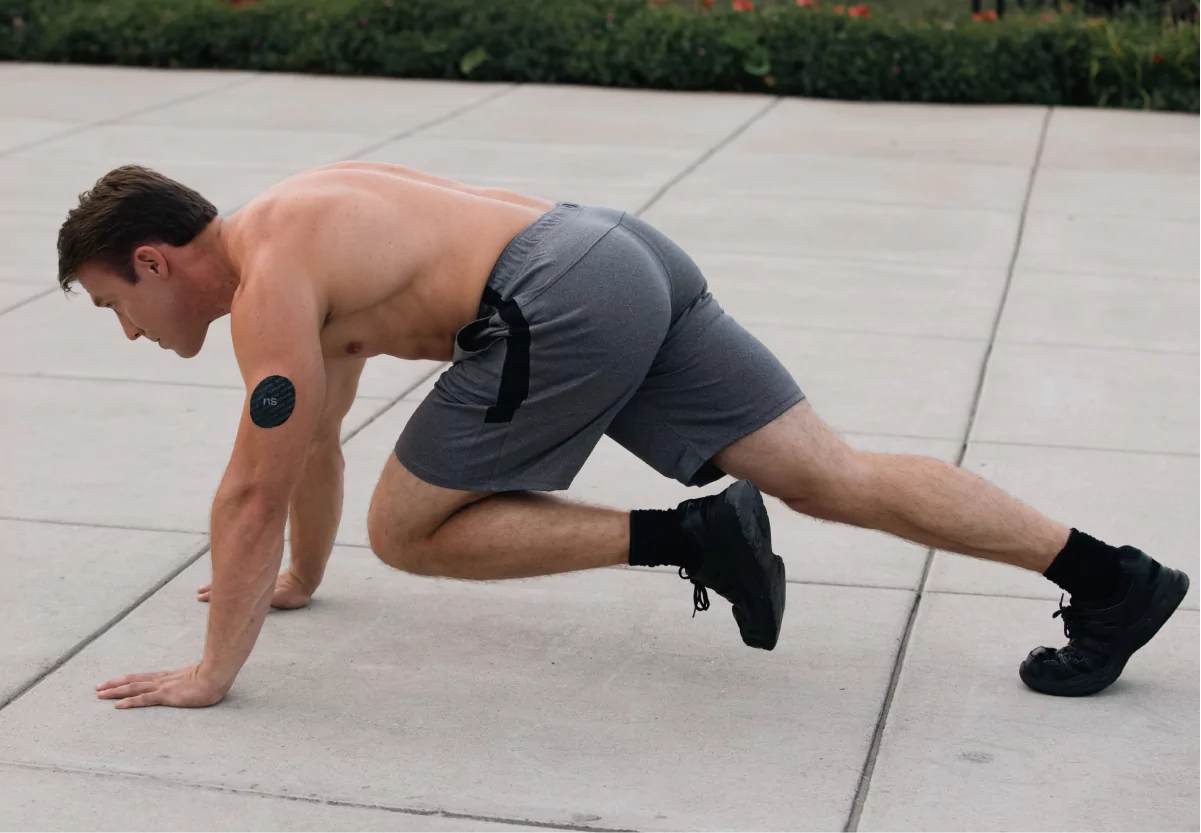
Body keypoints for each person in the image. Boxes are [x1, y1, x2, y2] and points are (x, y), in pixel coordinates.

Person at [56, 164, 1188, 710]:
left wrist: (214, 671)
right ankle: (1110, 577)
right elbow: (307, 452)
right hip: (612, 248)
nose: (133, 332)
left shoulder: (268, 286)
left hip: (552, 294)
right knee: (826, 473)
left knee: (407, 530)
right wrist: (299, 578)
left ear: (154, 260)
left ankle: (693, 538)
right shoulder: (295, 242)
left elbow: (248, 488)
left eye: (117, 304)